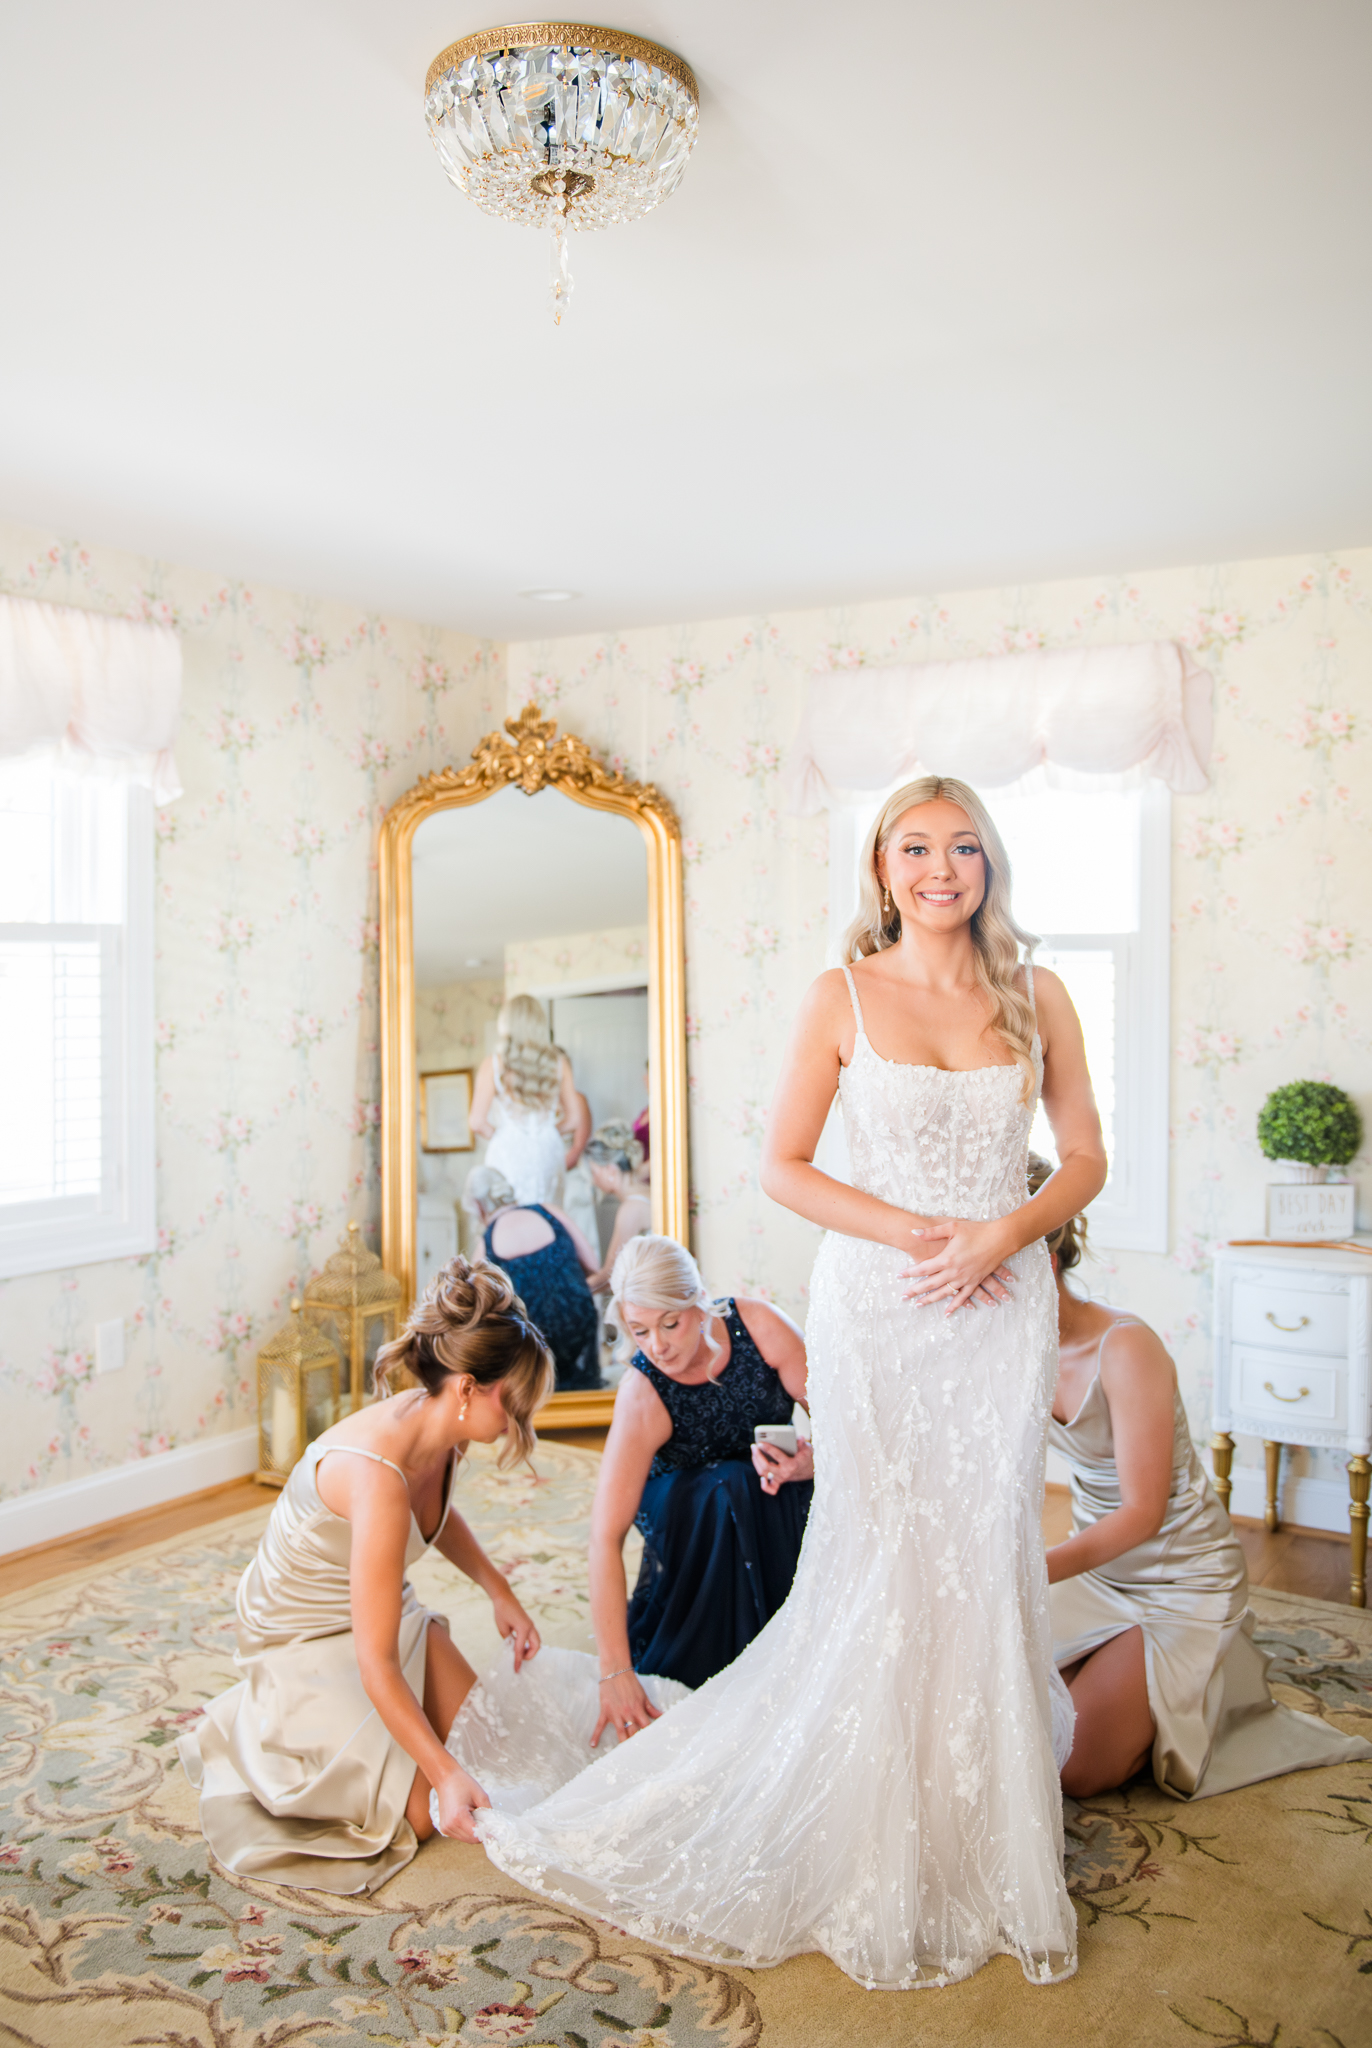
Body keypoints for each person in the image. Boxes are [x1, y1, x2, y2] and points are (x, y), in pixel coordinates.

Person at [467, 775, 1107, 1992]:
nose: (940, 867)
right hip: (880, 1304)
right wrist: (923, 1229)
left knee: (980, 1548)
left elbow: (1083, 1156)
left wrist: (1001, 1234)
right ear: (880, 866)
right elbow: (783, 1166)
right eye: (913, 846)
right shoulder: (840, 993)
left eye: (962, 846)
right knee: (881, 1549)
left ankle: (980, 1823)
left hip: (996, 1310)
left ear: (988, 863)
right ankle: (870, 1815)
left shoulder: (1039, 993)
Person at [178, 1259, 551, 1892]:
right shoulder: (376, 1477)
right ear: (466, 1389)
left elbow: (436, 1510)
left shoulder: (440, 1426)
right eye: (514, 1405)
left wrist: (499, 1589)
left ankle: (402, 1727)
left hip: (374, 1611)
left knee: (488, 1744)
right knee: (422, 1810)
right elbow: (375, 1664)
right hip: (303, 1637)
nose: (522, 1423)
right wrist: (442, 1774)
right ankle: (260, 1722)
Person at [1035, 1154, 1372, 1800]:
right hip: (1099, 1573)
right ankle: (1125, 1678)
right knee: (1006, 1709)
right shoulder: (1007, 1350)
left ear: (1045, 1263)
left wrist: (1034, 1567)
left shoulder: (1125, 1347)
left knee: (1075, 1769)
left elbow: (1142, 1513)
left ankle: (1202, 1678)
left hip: (1180, 1578)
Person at [589, 1234, 814, 1734]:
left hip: (777, 1496)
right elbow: (604, 1537)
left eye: (670, 1323)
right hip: (690, 1516)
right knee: (730, 1486)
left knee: (766, 1485)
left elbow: (849, 1428)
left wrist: (808, 1464)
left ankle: (793, 1645)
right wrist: (615, 1671)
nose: (658, 1345)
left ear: (698, 1302)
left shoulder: (761, 1329)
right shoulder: (642, 1393)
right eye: (639, 1330)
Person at [465, 1164, 605, 1393]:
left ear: (478, 1207)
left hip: (530, 1347)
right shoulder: (549, 1212)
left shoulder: (485, 1245)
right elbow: (593, 1266)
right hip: (578, 1327)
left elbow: (475, 1314)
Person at [471, 994, 581, 1207]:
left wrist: (504, 1136)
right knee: (548, 1217)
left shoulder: (493, 1064)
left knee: (508, 1217)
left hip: (508, 1150)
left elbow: (476, 1122)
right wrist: (546, 1132)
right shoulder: (559, 1063)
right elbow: (574, 1119)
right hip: (548, 1149)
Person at [584, 1121, 652, 1291]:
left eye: (594, 1172)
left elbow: (609, 1275)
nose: (593, 1180)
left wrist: (572, 1294)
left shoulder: (631, 1209)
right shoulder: (646, 1192)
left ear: (611, 1170)